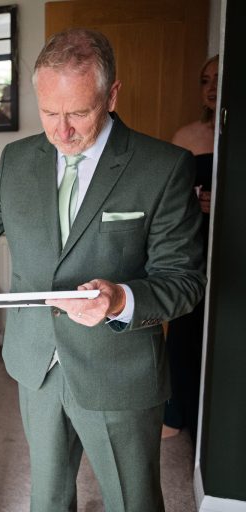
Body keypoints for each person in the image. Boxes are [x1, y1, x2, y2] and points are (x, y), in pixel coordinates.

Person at [0, 29, 206, 511]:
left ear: (112, 95)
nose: (61, 130)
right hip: (36, 365)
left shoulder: (164, 166)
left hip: (118, 369)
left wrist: (119, 299)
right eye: (49, 112)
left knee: (134, 502)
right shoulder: (17, 160)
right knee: (46, 498)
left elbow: (185, 281)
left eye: (78, 113)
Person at [163, 54, 218, 441]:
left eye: (220, 77)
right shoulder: (187, 136)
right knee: (186, 326)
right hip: (193, 238)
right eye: (205, 80)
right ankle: (177, 411)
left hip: (231, 237)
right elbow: (167, 195)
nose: (212, 86)